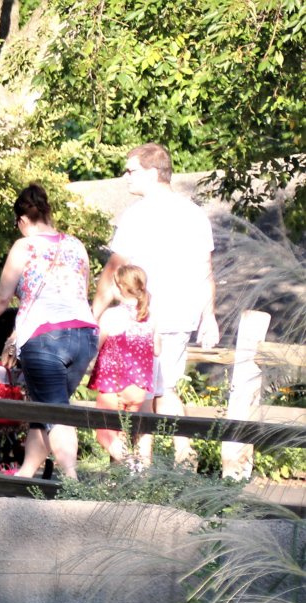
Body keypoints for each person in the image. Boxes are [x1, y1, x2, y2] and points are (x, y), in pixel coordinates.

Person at [94, 143, 218, 469]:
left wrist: (93, 316)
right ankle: (181, 460)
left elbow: (113, 270)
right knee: (162, 388)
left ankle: (142, 465)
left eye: (131, 170)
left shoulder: (138, 214)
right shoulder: (193, 212)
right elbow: (206, 270)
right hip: (180, 315)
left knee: (144, 390)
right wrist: (208, 317)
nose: (126, 177)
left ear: (152, 172)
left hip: (143, 316)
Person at [0, 183, 98, 479]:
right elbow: (83, 290)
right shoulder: (75, 245)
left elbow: (2, 298)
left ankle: (72, 482)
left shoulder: (24, 247)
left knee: (55, 411)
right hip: (84, 335)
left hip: (46, 340)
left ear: (22, 220)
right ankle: (26, 474)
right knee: (46, 407)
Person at [88, 265, 156, 467]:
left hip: (113, 384)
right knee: (124, 435)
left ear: (120, 287)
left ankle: (130, 466)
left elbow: (95, 345)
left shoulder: (112, 315)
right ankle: (122, 481)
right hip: (139, 388)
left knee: (105, 434)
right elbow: (158, 348)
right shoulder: (149, 316)